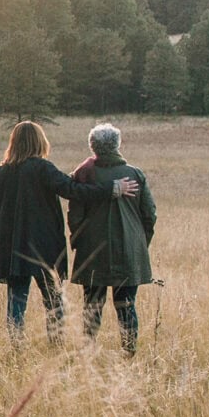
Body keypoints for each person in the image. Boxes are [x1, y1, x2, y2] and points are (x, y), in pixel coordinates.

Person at [0, 120, 138, 345]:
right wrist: (111, 189)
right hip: (44, 248)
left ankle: (16, 346)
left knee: (16, 301)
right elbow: (73, 190)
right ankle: (56, 345)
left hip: (12, 249)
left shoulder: (2, 172)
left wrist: (3, 235)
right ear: (39, 141)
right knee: (53, 300)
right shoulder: (43, 168)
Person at [68, 123, 156, 356]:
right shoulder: (135, 174)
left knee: (92, 305)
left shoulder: (84, 173)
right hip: (129, 250)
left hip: (92, 250)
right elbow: (150, 215)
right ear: (117, 145)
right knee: (126, 305)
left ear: (93, 146)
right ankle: (129, 352)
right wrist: (140, 244)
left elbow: (74, 215)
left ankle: (88, 351)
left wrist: (77, 241)